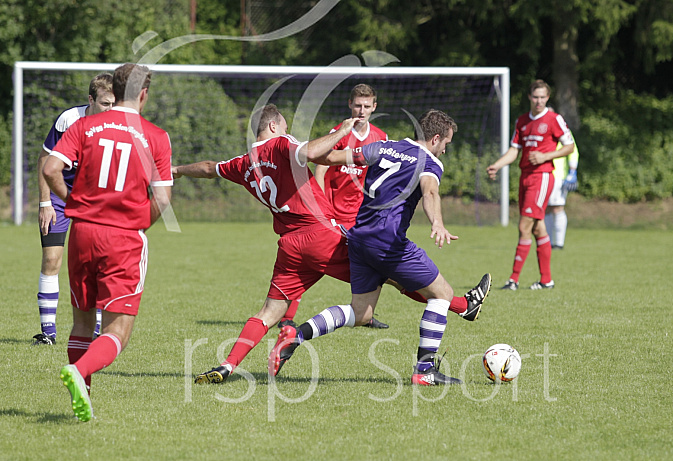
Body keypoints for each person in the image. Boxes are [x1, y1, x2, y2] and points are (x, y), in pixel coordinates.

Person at [178, 105, 488, 385]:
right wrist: (341, 132)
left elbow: (208, 168)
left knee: (272, 312)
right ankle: (459, 310)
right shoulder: (282, 145)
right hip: (322, 235)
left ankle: (228, 365)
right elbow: (312, 152)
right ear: (273, 127)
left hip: (289, 245)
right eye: (284, 127)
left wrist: (177, 170)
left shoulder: (243, 163)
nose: (287, 132)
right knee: (392, 274)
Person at [270, 109, 492, 386]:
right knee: (442, 294)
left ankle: (295, 336)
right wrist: (437, 222)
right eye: (446, 143)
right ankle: (425, 370)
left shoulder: (384, 147)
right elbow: (430, 191)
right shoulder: (430, 162)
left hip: (359, 237)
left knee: (361, 313)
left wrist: (304, 153)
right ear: (435, 139)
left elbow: (332, 157)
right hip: (389, 243)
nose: (445, 150)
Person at [43, 63, 173, 422]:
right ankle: (79, 373)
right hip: (123, 237)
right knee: (118, 329)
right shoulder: (156, 136)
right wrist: (138, 223)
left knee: (82, 322)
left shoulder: (85, 125)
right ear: (143, 93)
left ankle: (83, 394)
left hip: (82, 232)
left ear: (114, 90)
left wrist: (71, 203)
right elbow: (162, 199)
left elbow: (51, 168)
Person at [33, 73, 115, 346]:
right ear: (90, 99)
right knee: (52, 259)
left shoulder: (118, 125)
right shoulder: (68, 120)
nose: (110, 109)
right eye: (104, 103)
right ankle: (48, 333)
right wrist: (45, 203)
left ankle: (97, 332)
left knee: (99, 266)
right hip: (60, 196)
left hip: (95, 201)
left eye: (114, 103)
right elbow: (45, 160)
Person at [301, 83, 390, 329]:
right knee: (315, 262)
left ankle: (365, 315)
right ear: (350, 105)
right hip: (332, 213)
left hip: (362, 216)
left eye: (366, 106)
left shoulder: (381, 137)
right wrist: (320, 208)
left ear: (374, 107)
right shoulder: (339, 132)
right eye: (357, 105)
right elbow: (320, 168)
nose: (361, 111)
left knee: (371, 263)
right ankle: (286, 312)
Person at [486, 80, 574, 290]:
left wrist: (546, 156)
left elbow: (569, 146)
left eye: (543, 97)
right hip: (525, 176)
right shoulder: (522, 121)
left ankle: (513, 280)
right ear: (529, 97)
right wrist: (497, 165)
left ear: (548, 98)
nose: (539, 101)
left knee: (524, 226)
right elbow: (514, 150)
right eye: (536, 97)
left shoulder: (554, 119)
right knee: (537, 228)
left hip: (542, 177)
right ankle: (546, 280)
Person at [544, 108, 579, 249]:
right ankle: (547, 242)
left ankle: (558, 243)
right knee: (545, 209)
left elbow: (573, 151)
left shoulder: (563, 131)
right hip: (541, 176)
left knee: (557, 207)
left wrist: (572, 172)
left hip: (557, 175)